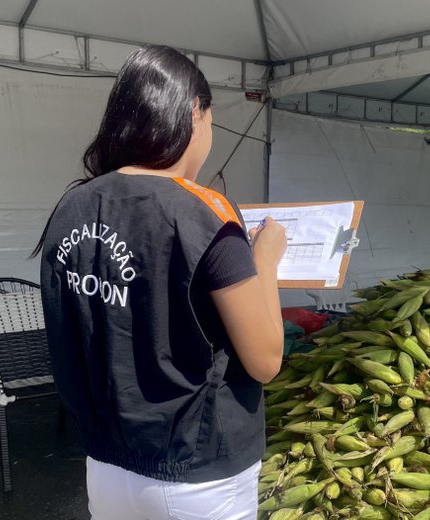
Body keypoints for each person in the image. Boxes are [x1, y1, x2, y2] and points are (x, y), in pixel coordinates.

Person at [34, 46, 286, 520]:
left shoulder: (73, 206)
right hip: (197, 472)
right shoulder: (203, 211)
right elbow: (266, 360)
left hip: (107, 465)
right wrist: (265, 260)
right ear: (195, 112)